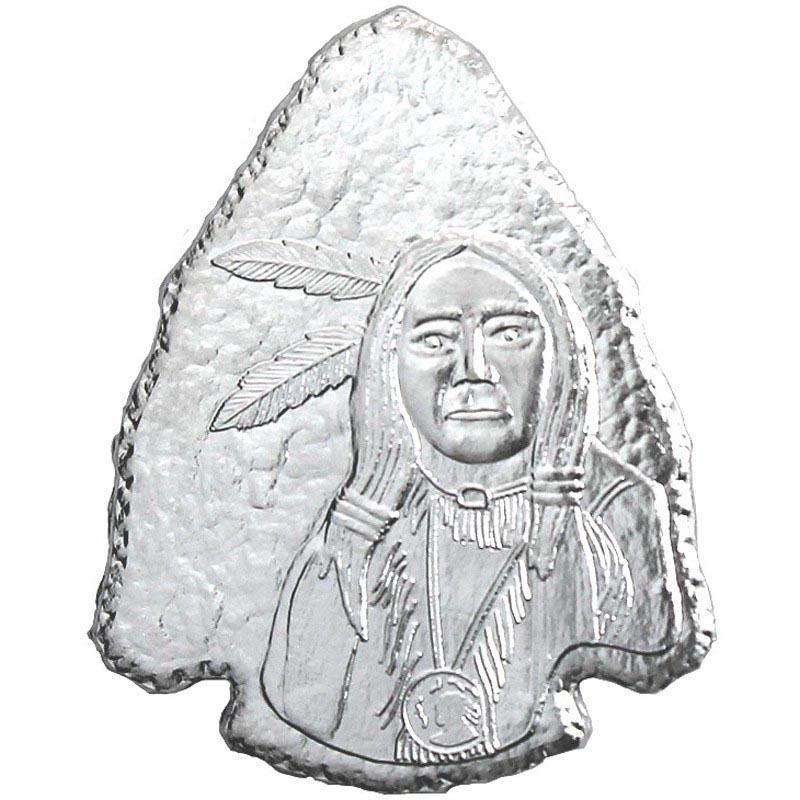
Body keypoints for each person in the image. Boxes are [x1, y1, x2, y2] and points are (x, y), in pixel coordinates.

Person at [261, 234, 682, 764]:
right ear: (387, 366)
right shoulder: (353, 539)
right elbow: (299, 704)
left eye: (509, 334)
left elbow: (647, 654)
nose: (473, 370)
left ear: (561, 355)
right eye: (434, 340)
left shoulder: (620, 513)